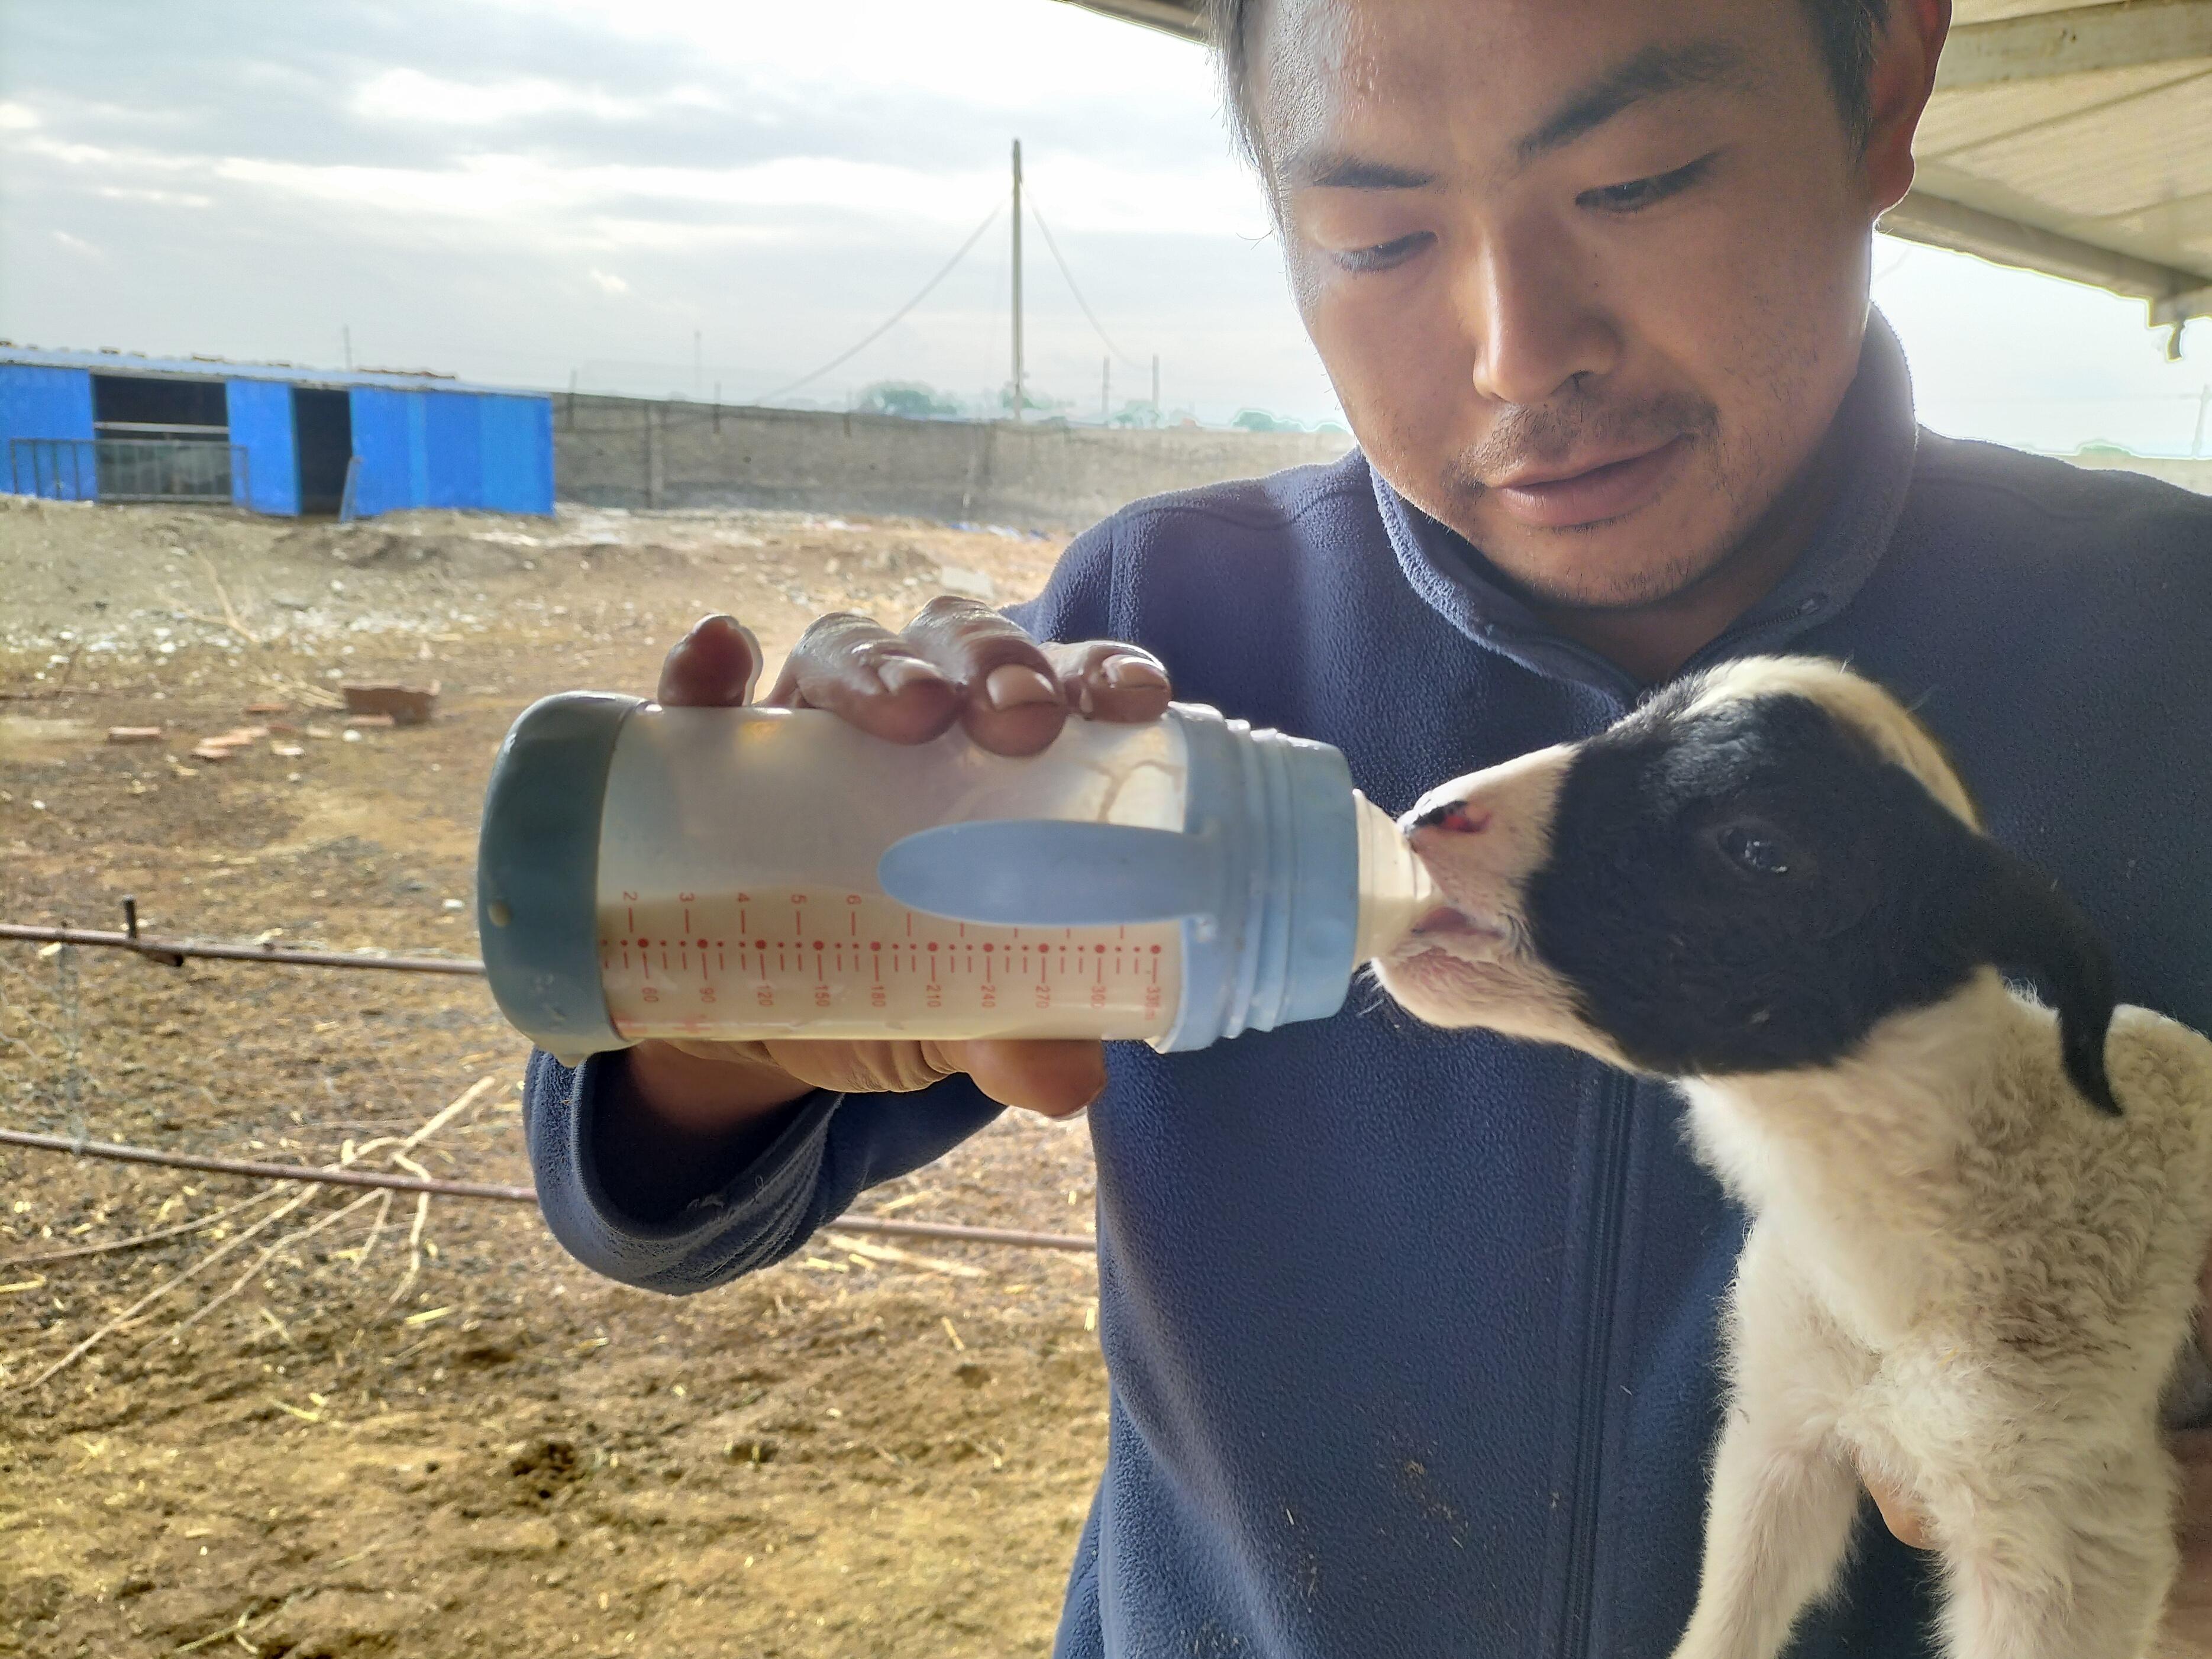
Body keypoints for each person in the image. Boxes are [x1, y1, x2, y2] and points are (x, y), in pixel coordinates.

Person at [523, 1, 2212, 1652]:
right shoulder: (1159, 632)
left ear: (1885, 80)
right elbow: (669, 1201)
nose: (1514, 347)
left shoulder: (2172, 644)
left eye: (1634, 181)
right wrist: (740, 972)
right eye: (1374, 236)